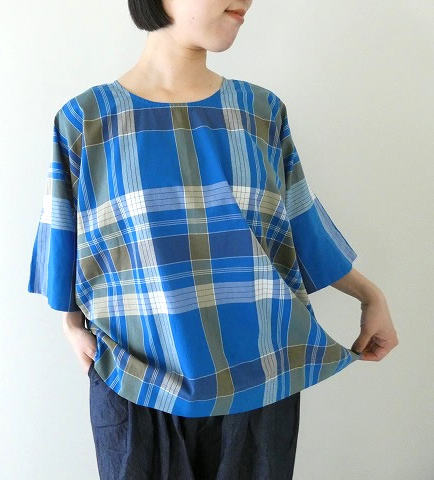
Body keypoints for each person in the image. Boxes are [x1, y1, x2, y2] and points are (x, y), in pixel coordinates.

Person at [27, 1, 399, 478]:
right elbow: (67, 241)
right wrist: (70, 321)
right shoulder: (86, 120)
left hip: (262, 376)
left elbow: (298, 225)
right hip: (135, 381)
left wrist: (370, 295)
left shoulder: (261, 113)